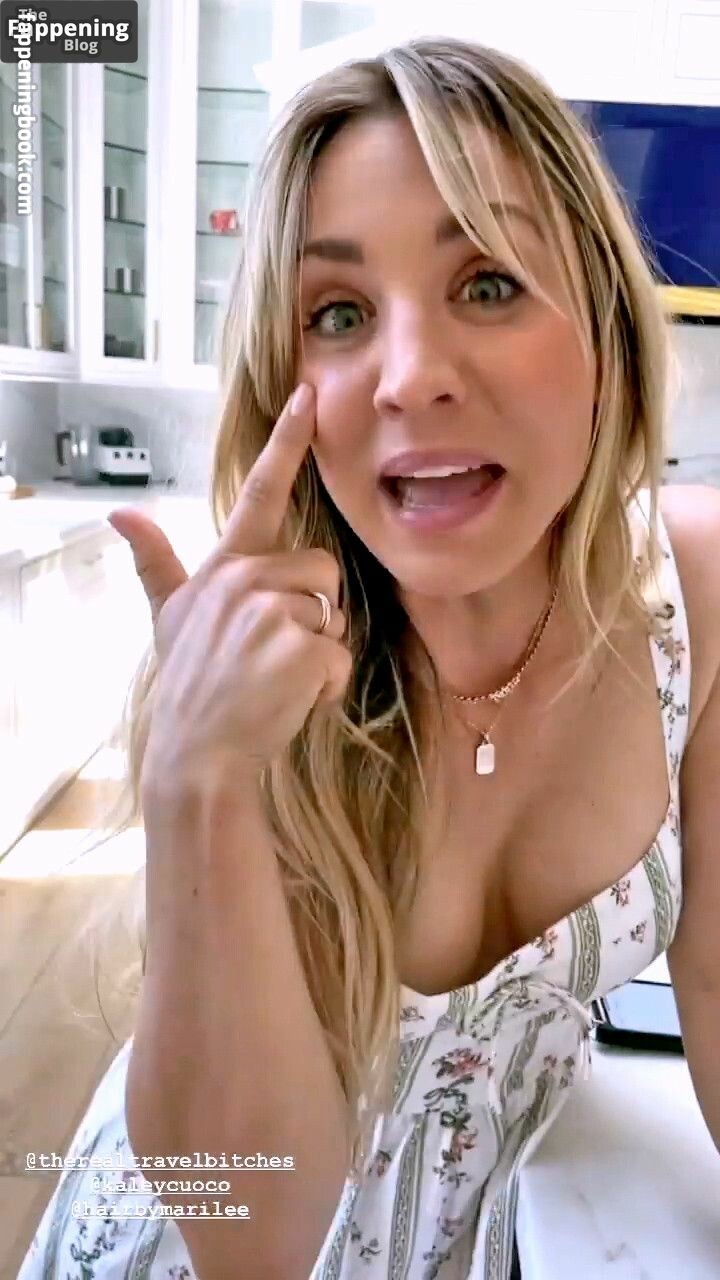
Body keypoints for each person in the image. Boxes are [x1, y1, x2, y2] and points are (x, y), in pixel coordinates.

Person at [17, 34, 720, 1280]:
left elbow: (713, 979)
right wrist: (198, 775)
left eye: (487, 282)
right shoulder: (257, 673)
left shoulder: (694, 598)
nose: (409, 377)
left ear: (609, 321)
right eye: (338, 314)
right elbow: (249, 1231)